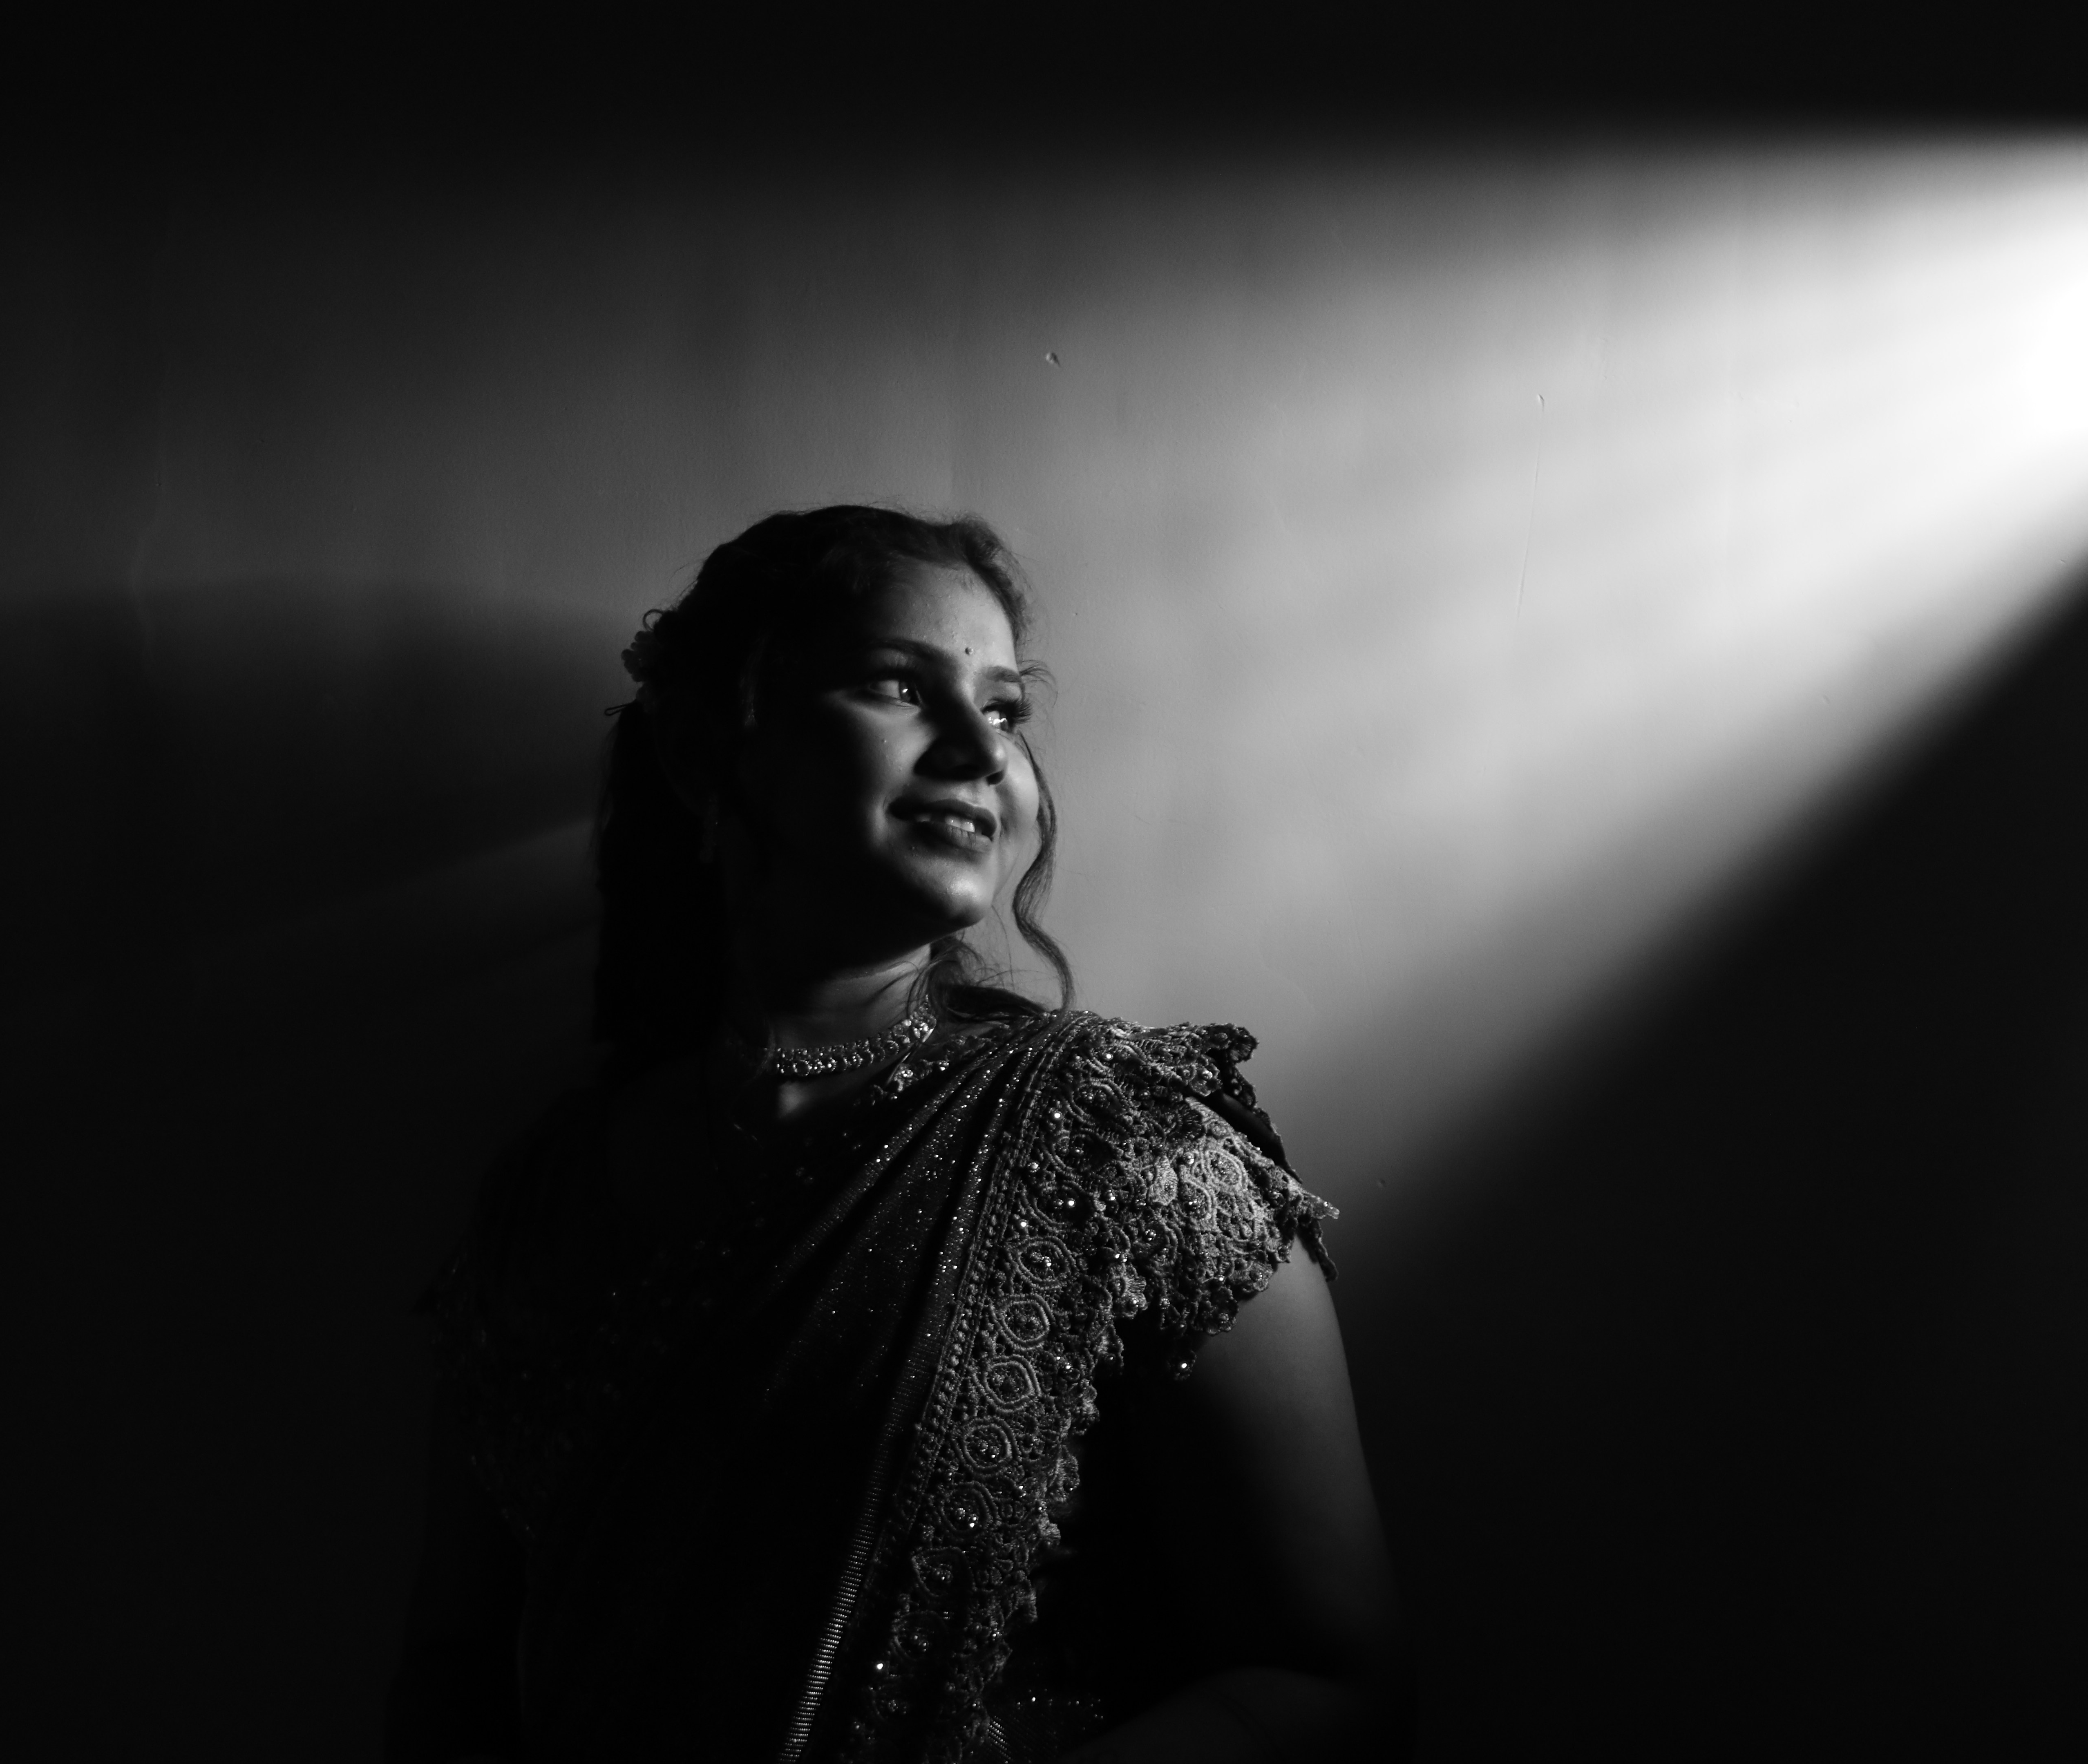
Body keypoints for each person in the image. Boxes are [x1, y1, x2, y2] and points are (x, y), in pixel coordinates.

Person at [385, 506, 1409, 1762]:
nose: (980, 750)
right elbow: (454, 1661)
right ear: (708, 747)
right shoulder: (543, 1198)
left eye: (1006, 710)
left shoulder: (1126, 1145)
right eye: (900, 686)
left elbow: (1325, 1683)